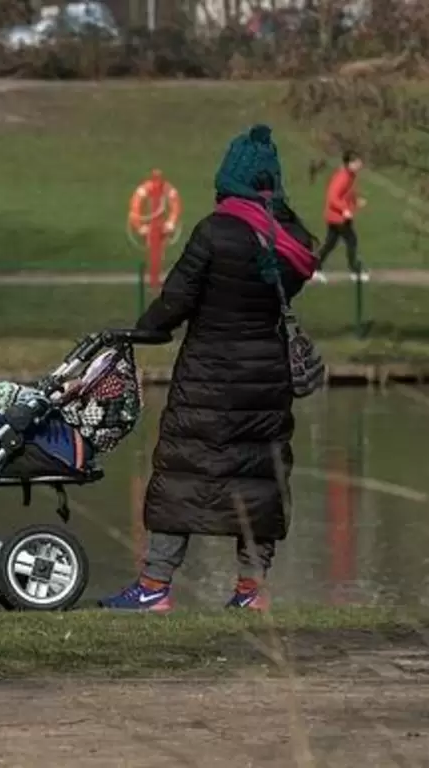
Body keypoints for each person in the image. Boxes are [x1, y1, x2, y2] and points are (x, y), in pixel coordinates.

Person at [99, 124, 318, 612]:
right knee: (261, 480)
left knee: (183, 472)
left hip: (208, 377)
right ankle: (250, 591)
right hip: (266, 380)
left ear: (229, 178)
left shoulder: (215, 231)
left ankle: (154, 587)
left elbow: (177, 299)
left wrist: (142, 330)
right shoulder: (293, 241)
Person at [313, 150, 368, 284]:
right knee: (351, 240)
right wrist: (344, 210)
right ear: (349, 163)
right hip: (338, 217)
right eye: (357, 162)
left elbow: (348, 192)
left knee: (330, 243)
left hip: (337, 217)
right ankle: (355, 271)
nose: (360, 164)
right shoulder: (343, 177)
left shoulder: (350, 175)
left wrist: (356, 201)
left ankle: (314, 268)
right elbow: (332, 197)